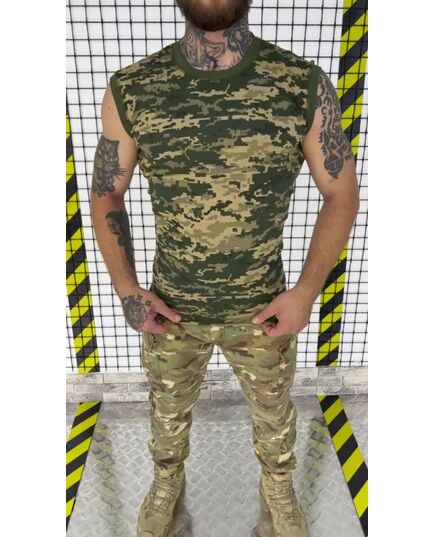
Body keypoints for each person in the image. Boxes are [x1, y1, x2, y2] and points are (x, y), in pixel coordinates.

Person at [90, 0, 360, 536]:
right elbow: (106, 192)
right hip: (172, 311)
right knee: (166, 417)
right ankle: (167, 482)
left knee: (275, 418)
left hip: (263, 312)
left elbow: (341, 192)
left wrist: (306, 293)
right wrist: (127, 289)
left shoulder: (300, 85)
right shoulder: (133, 89)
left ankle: (278, 487)